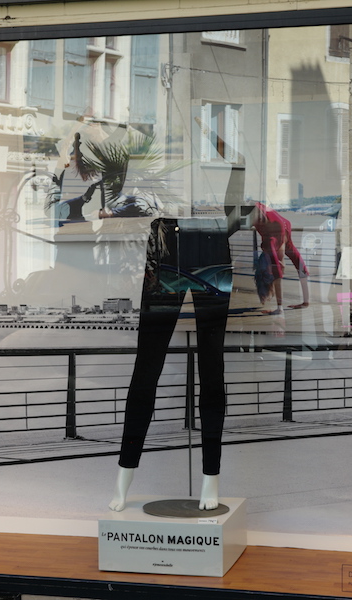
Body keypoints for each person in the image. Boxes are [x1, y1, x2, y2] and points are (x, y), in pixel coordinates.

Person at [109, 217, 232, 512]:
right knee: (146, 369)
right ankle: (124, 474)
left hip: (212, 238)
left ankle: (211, 478)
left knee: (212, 368)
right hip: (167, 238)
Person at [251, 202, 310, 314]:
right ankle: (305, 301)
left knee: (277, 270)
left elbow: (277, 274)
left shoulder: (271, 241)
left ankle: (280, 306)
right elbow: (300, 267)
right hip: (283, 225)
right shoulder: (277, 241)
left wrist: (279, 307)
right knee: (297, 263)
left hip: (278, 229)